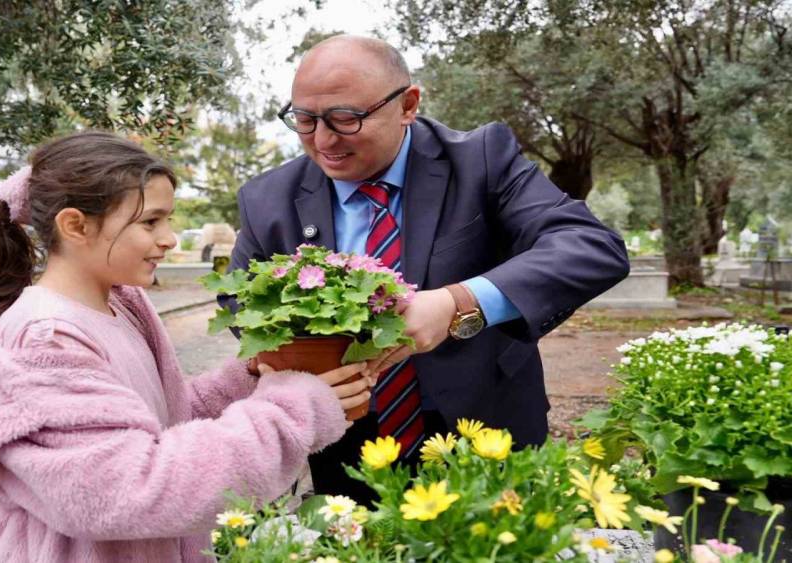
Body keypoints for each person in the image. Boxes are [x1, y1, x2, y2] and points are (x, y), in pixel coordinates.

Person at [0, 131, 373, 562]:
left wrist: (248, 380)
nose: (169, 239)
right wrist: (294, 411)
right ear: (75, 225)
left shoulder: (119, 304)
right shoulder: (42, 338)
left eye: (167, 219)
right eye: (151, 221)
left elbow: (154, 418)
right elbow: (127, 489)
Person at [226, 35, 630, 503]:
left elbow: (591, 245)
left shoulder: (482, 160)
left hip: (489, 430)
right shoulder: (267, 198)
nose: (322, 140)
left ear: (408, 104)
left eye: (345, 118)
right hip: (348, 444)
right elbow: (240, 300)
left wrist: (458, 304)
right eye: (304, 119)